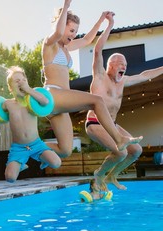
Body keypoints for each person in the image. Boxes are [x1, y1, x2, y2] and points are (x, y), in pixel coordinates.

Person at [85, 12, 163, 198]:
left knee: (136, 150)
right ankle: (98, 175)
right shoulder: (100, 77)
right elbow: (97, 51)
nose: (123, 66)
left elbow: (145, 75)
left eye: (125, 64)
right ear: (109, 65)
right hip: (95, 123)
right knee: (119, 153)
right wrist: (109, 24)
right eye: (120, 63)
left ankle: (113, 175)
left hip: (113, 123)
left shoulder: (123, 80)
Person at [42, 0, 142, 160]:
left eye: (76, 32)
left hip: (61, 103)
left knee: (64, 150)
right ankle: (119, 139)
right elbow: (59, 33)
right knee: (97, 100)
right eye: (71, 30)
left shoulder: (67, 48)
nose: (73, 35)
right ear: (62, 26)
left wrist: (103, 20)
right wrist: (66, 6)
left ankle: (28, 148)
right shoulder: (50, 44)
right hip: (52, 93)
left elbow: (88, 40)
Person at [0, 66, 61, 183]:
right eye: (17, 81)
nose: (21, 83)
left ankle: (42, 159)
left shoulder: (32, 101)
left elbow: (45, 101)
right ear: (10, 87)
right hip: (19, 148)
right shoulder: (8, 104)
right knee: (10, 178)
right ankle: (21, 164)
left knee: (56, 163)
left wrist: (29, 90)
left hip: (36, 144)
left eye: (24, 80)